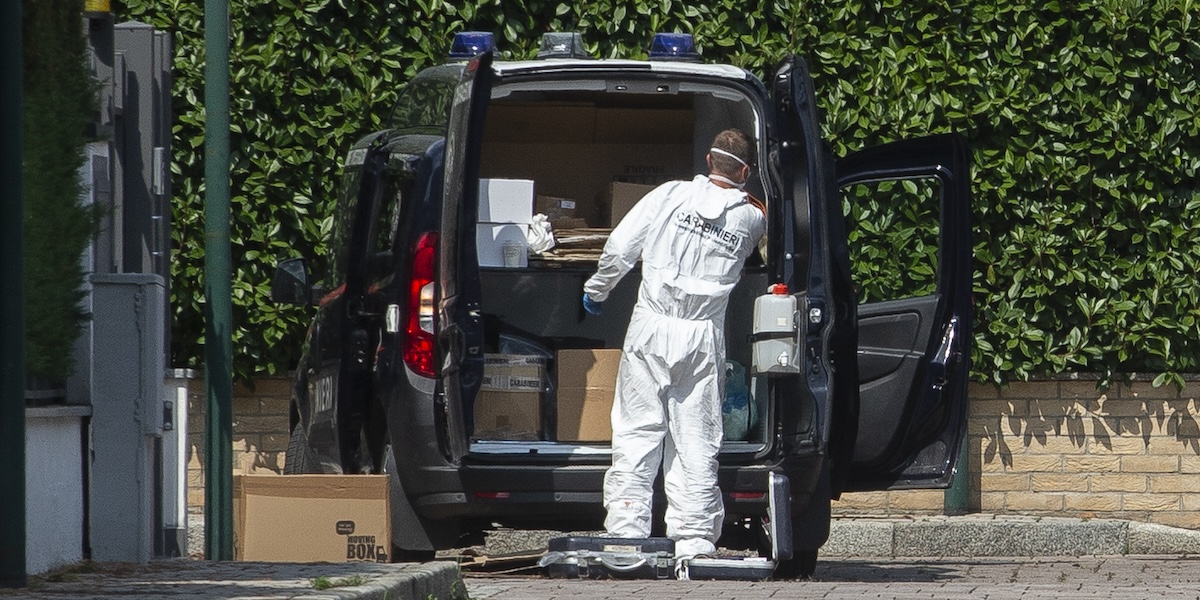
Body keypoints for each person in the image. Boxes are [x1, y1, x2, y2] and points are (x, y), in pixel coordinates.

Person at [582, 128, 766, 566]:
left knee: (637, 430)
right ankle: (695, 542)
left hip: (651, 325)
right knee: (697, 439)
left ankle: (626, 538)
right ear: (744, 172)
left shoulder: (669, 196)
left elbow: (621, 247)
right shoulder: (752, 216)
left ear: (707, 160)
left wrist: (598, 289)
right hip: (702, 335)